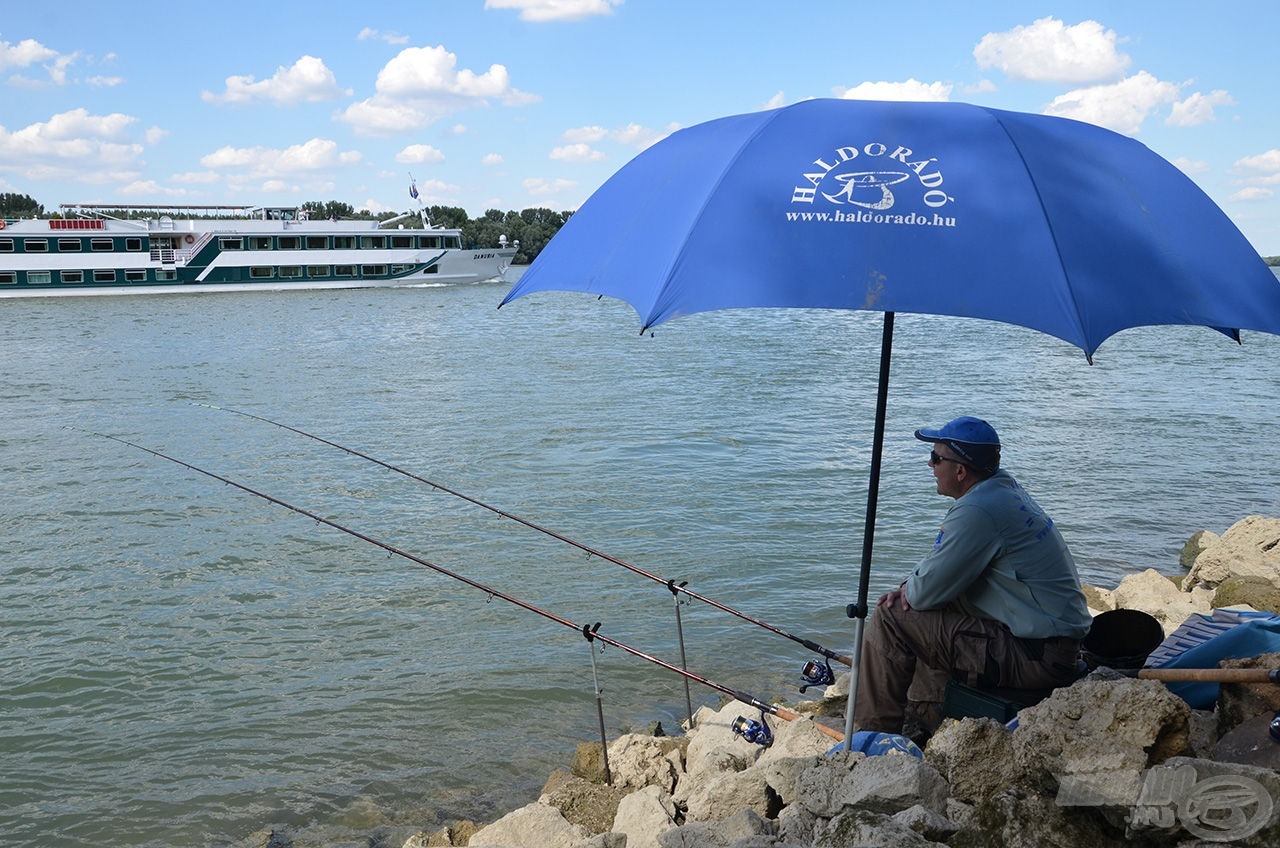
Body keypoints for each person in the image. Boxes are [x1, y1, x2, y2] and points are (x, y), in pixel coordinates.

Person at [853, 415, 1092, 739]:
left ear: (960, 471)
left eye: (936, 458)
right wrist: (910, 588)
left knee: (891, 618)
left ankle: (871, 741)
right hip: (1056, 648)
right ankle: (927, 712)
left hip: (1039, 657)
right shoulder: (1001, 489)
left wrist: (907, 592)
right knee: (929, 608)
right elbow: (939, 572)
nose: (929, 464)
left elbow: (923, 593)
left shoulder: (977, 511)